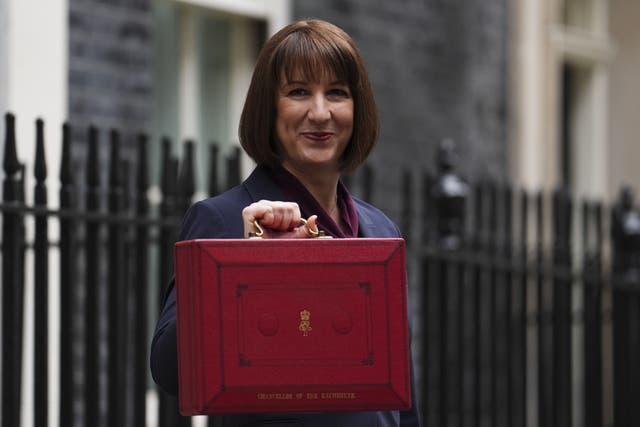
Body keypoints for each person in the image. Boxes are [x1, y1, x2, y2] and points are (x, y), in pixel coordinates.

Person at [151, 19, 421, 427]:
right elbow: (170, 371)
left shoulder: (380, 229)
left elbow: (402, 398)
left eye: (337, 93)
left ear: (356, 107)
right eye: (298, 92)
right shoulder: (222, 219)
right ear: (269, 108)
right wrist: (248, 262)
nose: (319, 112)